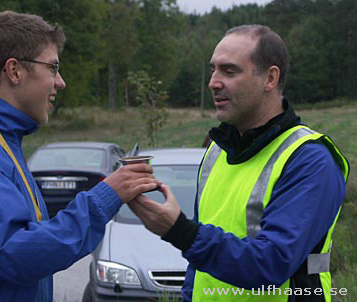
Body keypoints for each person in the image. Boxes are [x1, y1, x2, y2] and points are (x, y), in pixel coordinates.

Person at [0, 11, 160, 302]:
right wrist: (105, 197)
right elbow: (19, 253)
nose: (61, 82)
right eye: (53, 68)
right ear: (14, 71)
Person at [128, 24, 349, 301]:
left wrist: (179, 231)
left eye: (229, 71)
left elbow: (271, 264)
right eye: (213, 70)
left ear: (270, 78)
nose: (213, 82)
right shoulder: (215, 152)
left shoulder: (310, 160)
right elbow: (198, 270)